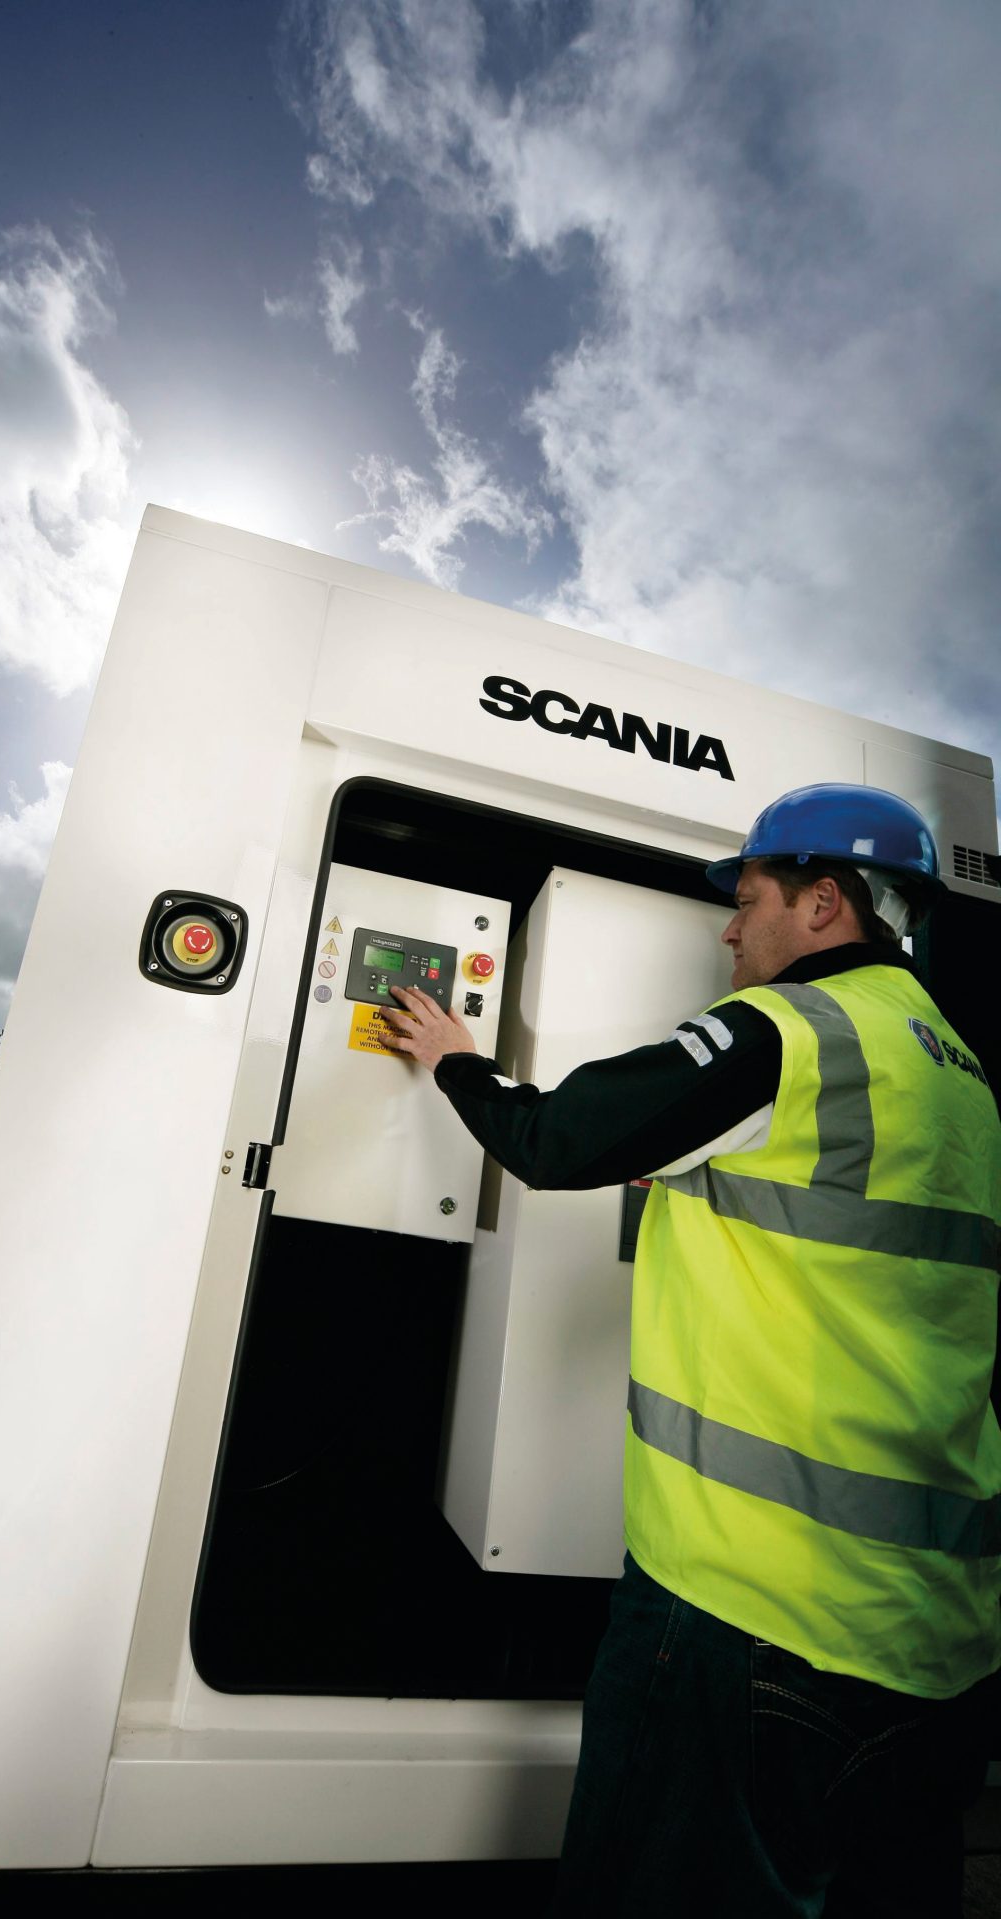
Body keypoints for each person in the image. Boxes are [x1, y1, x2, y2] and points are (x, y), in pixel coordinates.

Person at [380, 783, 1001, 1918]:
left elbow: (554, 1137)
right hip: (933, 1637)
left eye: (747, 895)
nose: (726, 925)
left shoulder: (791, 1034)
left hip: (752, 1614)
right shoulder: (959, 1075)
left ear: (823, 901)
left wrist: (457, 1060)